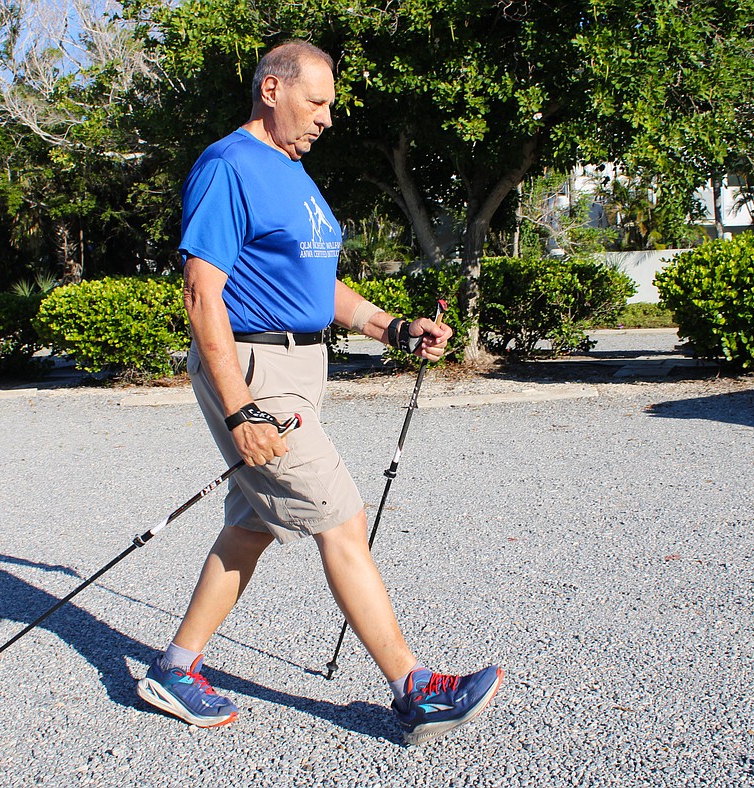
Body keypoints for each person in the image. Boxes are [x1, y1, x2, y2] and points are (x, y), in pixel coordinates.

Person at [136, 40, 502, 746]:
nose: (328, 118)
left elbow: (313, 285)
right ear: (272, 90)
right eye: (318, 101)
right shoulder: (228, 165)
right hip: (256, 370)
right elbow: (201, 293)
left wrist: (391, 327)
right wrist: (239, 406)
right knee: (341, 517)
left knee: (252, 526)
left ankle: (174, 667)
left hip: (300, 367)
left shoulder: (293, 175)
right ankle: (415, 689)